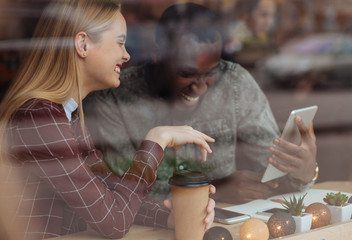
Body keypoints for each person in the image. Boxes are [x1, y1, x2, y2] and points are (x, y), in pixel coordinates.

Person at [0, 1, 216, 239]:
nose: (127, 55)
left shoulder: (65, 114)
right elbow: (113, 222)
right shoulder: (39, 117)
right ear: (83, 44)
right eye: (120, 42)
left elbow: (109, 196)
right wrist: (156, 140)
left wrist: (170, 216)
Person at [86, 2, 318, 204]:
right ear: (158, 58)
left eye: (211, 73)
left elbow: (273, 179)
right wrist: (215, 190)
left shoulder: (235, 84)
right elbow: (121, 195)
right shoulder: (117, 96)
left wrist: (304, 171)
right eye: (187, 73)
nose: (200, 87)